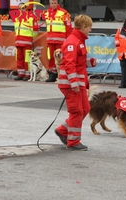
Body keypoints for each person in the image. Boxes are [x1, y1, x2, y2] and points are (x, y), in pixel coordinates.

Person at [54, 14, 96, 150]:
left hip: (77, 83)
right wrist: (74, 83)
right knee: (77, 111)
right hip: (71, 84)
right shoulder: (73, 42)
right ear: (83, 27)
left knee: (85, 109)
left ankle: (62, 130)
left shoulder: (78, 40)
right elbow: (69, 64)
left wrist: (89, 62)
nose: (90, 30)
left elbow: (77, 62)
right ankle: (73, 142)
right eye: (90, 27)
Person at [44, 0, 72, 82]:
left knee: (61, 58)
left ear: (57, 3)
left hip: (61, 40)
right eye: (52, 3)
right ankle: (52, 74)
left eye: (55, 3)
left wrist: (68, 38)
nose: (53, 5)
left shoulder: (64, 12)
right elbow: (47, 25)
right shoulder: (46, 13)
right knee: (51, 58)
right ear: (49, 3)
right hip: (50, 40)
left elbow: (68, 26)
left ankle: (62, 75)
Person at [13, 3, 39, 81]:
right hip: (18, 41)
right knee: (19, 58)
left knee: (27, 59)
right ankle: (20, 74)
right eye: (20, 8)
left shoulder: (31, 17)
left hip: (27, 41)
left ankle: (27, 74)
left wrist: (30, 38)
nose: (22, 9)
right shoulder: (16, 18)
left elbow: (35, 30)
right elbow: (16, 29)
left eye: (23, 8)